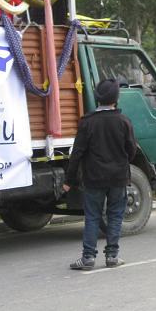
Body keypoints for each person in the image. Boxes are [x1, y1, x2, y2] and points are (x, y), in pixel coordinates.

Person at [64, 79, 135, 270]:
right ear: (116, 99)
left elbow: (77, 153)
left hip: (94, 178)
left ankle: (88, 258)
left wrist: (69, 180)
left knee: (93, 217)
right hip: (118, 177)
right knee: (115, 216)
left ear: (97, 98)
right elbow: (131, 151)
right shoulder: (124, 121)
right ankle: (112, 256)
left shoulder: (87, 122)